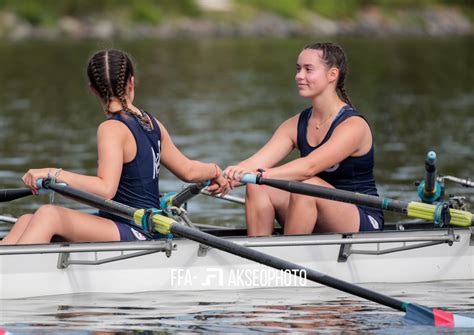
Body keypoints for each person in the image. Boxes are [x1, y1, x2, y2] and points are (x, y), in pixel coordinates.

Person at [1, 49, 229, 245]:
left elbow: (105, 189)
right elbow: (189, 170)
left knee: (48, 215)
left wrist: (53, 173)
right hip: (134, 226)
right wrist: (215, 171)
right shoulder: (152, 123)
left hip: (137, 229)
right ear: (131, 81)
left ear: (92, 89)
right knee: (25, 221)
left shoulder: (111, 129)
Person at [224, 42, 383, 236]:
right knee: (258, 187)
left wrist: (259, 174)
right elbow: (255, 163)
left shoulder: (353, 126)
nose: (299, 76)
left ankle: (289, 258)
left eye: (308, 69)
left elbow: (309, 167)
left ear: (332, 74)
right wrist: (225, 178)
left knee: (306, 185)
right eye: (298, 69)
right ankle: (259, 254)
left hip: (361, 216)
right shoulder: (295, 124)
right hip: (311, 203)